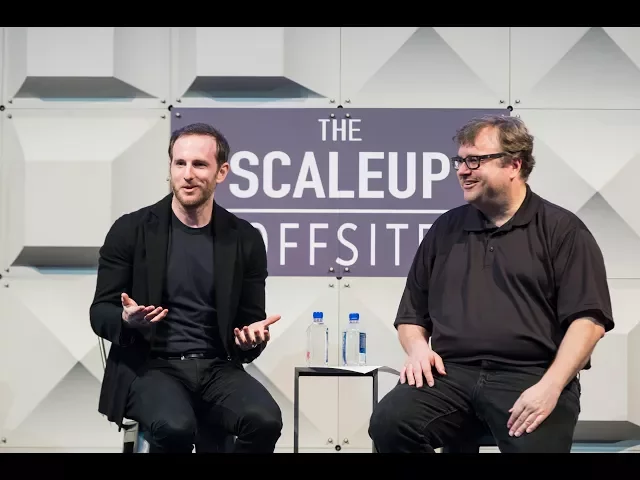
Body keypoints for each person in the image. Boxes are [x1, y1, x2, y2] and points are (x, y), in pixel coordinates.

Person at [368, 114, 614, 453]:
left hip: (531, 374)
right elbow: (411, 316)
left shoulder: (563, 230)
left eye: (474, 161)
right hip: (451, 375)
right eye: (459, 161)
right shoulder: (445, 229)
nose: (462, 170)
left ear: (514, 164)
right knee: (390, 424)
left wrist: (552, 386)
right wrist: (418, 349)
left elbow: (589, 322)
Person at [90, 122, 283, 453]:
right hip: (148, 365)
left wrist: (251, 339)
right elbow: (100, 312)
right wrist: (126, 320)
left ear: (221, 172)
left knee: (264, 421)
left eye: (199, 164)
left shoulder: (244, 238)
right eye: (180, 163)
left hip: (217, 367)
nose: (188, 174)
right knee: (175, 428)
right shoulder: (131, 230)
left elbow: (248, 323)